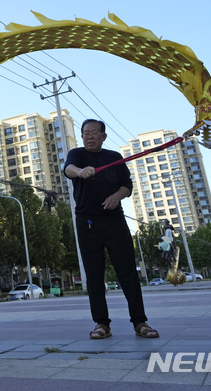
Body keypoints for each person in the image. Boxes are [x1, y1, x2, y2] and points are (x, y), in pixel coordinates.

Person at [64, 119, 159, 339]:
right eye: (85, 133)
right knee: (94, 275)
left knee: (128, 273)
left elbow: (127, 185)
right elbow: (68, 169)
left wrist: (117, 196)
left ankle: (140, 322)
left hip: (115, 220)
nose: (89, 136)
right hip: (87, 222)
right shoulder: (76, 155)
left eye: (94, 133)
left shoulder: (114, 158)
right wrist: (80, 172)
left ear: (103, 136)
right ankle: (101, 324)